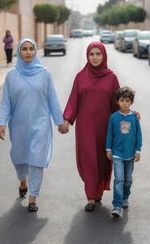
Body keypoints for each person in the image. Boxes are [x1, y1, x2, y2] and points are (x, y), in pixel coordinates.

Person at [0, 37, 67, 212]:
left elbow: (52, 98)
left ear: (36, 51)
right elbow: (6, 101)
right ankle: (23, 181)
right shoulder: (11, 76)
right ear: (19, 52)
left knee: (37, 160)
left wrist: (59, 121)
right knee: (19, 158)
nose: (28, 52)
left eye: (31, 49)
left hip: (41, 124)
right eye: (24, 49)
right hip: (19, 125)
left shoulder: (44, 74)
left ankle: (33, 197)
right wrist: (2, 123)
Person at [61, 41, 120, 212]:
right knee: (88, 159)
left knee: (102, 160)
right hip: (85, 127)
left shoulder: (112, 78)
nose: (94, 57)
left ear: (104, 55)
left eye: (98, 54)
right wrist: (66, 120)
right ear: (87, 56)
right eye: (91, 54)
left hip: (105, 127)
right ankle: (91, 197)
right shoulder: (81, 77)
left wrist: (129, 116)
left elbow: (119, 104)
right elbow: (73, 100)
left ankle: (98, 190)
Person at [106, 86, 142, 218]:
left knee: (128, 180)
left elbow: (139, 135)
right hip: (117, 154)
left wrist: (138, 150)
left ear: (131, 102)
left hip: (130, 154)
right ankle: (117, 205)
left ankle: (125, 197)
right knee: (119, 179)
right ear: (118, 102)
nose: (124, 103)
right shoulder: (113, 117)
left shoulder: (134, 117)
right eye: (122, 100)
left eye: (127, 101)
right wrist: (108, 149)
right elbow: (109, 134)